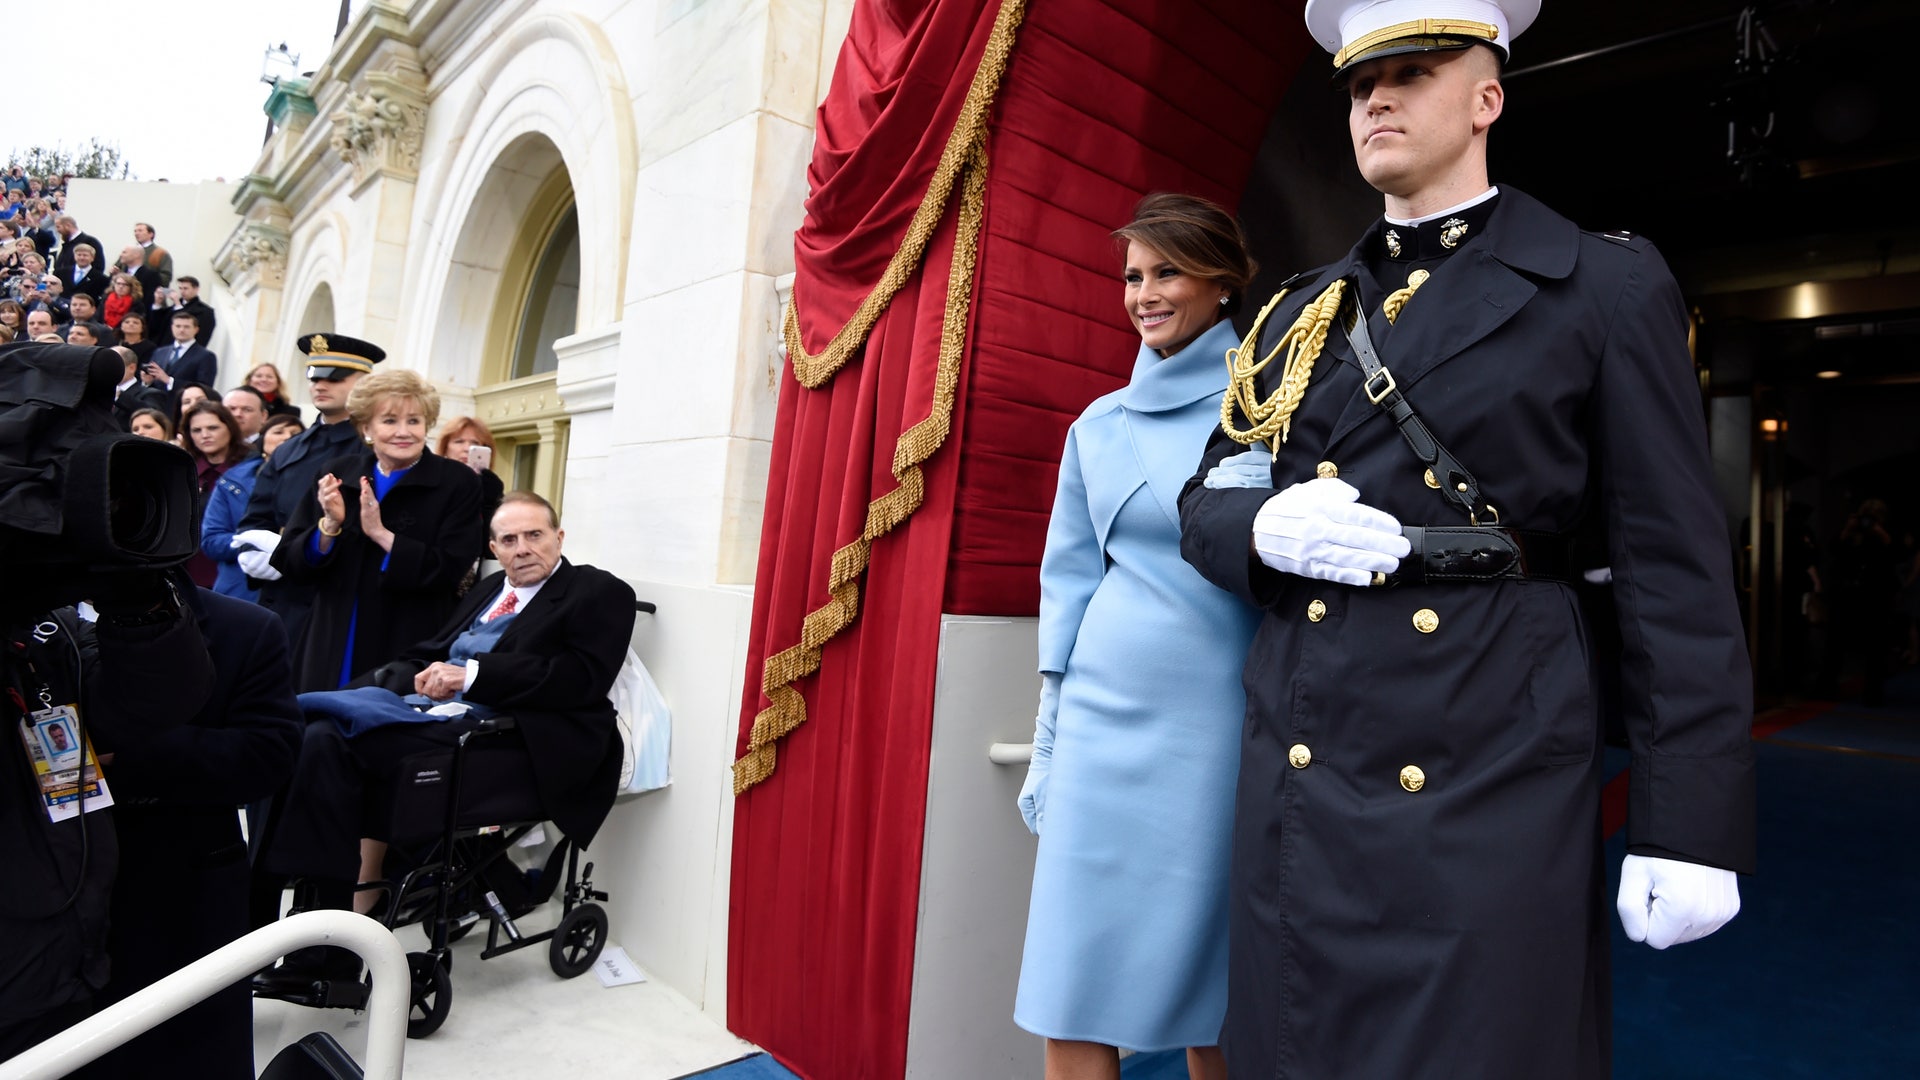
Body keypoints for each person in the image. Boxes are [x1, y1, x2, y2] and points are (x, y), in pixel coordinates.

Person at [1176, 4, 1755, 1077]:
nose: (1376, 98)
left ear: (1487, 98)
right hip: (1305, 767)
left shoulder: (1600, 284)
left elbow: (1675, 575)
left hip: (1490, 763)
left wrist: (1691, 822)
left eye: (1411, 72)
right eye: (1358, 84)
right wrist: (1257, 525)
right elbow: (1204, 495)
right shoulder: (1299, 311)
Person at [1014, 194, 1262, 1080]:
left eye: (1166, 272)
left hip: (1220, 725)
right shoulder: (1097, 426)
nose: (1143, 294)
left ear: (1222, 283)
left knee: (1219, 982)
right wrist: (1049, 732)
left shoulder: (1273, 406)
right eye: (1131, 276)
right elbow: (1069, 581)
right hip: (1099, 721)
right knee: (1071, 972)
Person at [253, 492, 636, 968]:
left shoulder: (597, 591)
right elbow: (429, 652)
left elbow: (580, 679)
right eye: (509, 539)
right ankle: (286, 914)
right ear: (494, 549)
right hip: (430, 715)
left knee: (323, 740)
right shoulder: (488, 590)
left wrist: (472, 676)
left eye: (535, 535)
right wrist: (368, 690)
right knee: (302, 736)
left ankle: (327, 934)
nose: (523, 548)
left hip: (506, 735)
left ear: (559, 537)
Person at [72, 586, 300, 1080]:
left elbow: (269, 755)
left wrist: (131, 753)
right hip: (42, 913)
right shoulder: (25, 633)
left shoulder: (246, 628)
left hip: (183, 905)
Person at [267, 367, 485, 691]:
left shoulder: (457, 481)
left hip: (407, 635)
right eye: (390, 420)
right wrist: (329, 526)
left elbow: (452, 568)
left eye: (414, 421)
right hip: (332, 633)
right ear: (366, 427)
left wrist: (383, 536)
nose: (404, 432)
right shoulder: (337, 474)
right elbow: (290, 561)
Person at [235, 335, 380, 647]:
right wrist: (253, 550)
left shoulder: (374, 450)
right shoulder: (290, 448)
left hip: (333, 600)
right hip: (280, 600)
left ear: (364, 383)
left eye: (335, 378)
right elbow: (256, 515)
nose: (320, 385)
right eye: (314, 376)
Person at [180, 401, 258, 590]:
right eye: (196, 430)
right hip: (188, 569)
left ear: (229, 427)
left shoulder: (253, 468)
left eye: (212, 428)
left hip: (236, 569)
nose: (205, 435)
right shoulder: (182, 469)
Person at [438, 416, 505, 530]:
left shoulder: (492, 486)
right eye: (459, 441)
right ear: (445, 448)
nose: (467, 448)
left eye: (475, 443)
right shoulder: (433, 482)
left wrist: (489, 503)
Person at [147, 310, 217, 393]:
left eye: (186, 327)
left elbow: (205, 387)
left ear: (196, 330)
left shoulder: (206, 356)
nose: (181, 330)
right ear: (172, 327)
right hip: (155, 402)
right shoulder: (160, 352)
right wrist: (147, 382)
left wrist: (169, 381)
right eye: (178, 326)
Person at [134, 221, 173, 288]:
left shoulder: (160, 253)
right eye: (135, 231)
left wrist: (147, 277)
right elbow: (118, 267)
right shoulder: (129, 250)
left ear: (151, 234)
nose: (136, 233)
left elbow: (166, 278)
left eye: (140, 231)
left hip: (148, 292)